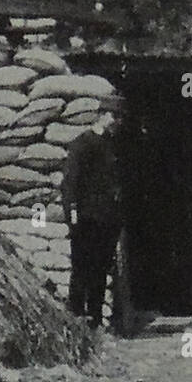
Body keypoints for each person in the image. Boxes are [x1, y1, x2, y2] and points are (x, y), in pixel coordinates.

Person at [61, 95, 130, 330]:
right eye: (115, 116)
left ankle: (95, 318)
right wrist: (71, 212)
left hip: (107, 218)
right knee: (82, 266)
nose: (118, 122)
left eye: (120, 117)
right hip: (87, 218)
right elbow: (71, 181)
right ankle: (76, 317)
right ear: (103, 115)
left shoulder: (112, 145)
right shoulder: (83, 144)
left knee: (100, 269)